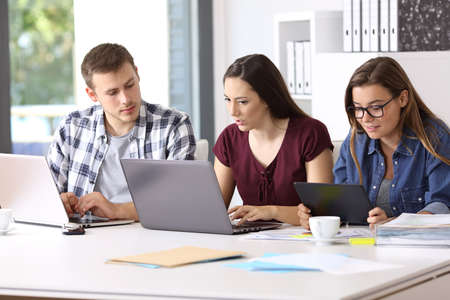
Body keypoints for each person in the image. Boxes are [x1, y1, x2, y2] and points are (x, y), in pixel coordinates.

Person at [47, 43, 196, 221]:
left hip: (151, 239)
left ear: (137, 74)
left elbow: (181, 202)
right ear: (92, 95)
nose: (125, 99)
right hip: (83, 240)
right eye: (112, 92)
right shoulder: (72, 127)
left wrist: (117, 211)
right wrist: (59, 203)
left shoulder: (173, 125)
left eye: (129, 85)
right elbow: (46, 196)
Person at [300, 56, 449, 228]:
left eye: (376, 108)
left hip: (418, 249)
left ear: (402, 99)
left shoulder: (434, 137)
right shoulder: (356, 139)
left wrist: (395, 224)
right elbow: (339, 202)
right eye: (358, 108)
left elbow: (442, 205)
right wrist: (318, 215)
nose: (366, 118)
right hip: (363, 245)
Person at [213, 54, 333, 226]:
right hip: (250, 242)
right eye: (227, 100)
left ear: (267, 98)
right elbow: (213, 210)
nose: (232, 111)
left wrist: (271, 211)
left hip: (302, 244)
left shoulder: (311, 133)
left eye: (242, 102)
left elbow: (320, 213)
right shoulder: (229, 138)